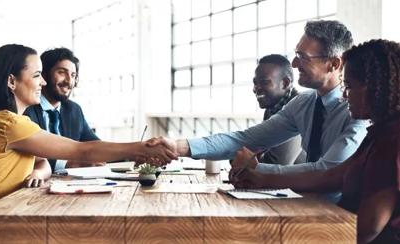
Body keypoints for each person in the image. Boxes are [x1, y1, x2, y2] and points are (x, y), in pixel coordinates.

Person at [0, 44, 176, 242]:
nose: (43, 81)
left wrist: (39, 172)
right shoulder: (8, 123)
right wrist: (141, 148)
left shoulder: (13, 121)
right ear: (12, 81)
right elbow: (82, 150)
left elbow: (43, 162)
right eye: (37, 75)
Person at [232, 39, 400, 243]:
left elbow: (368, 227)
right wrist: (260, 179)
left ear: (375, 87)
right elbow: (330, 177)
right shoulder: (379, 134)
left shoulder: (392, 142)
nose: (345, 95)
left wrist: (304, 235)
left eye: (348, 86)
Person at [154, 20, 368, 176]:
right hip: (306, 204)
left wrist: (258, 169)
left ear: (334, 64)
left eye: (302, 57)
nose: (294, 64)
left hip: (344, 218)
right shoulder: (303, 104)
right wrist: (178, 146)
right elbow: (244, 139)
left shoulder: (359, 109)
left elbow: (328, 170)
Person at [24, 47, 102, 172]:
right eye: (62, 72)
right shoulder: (25, 109)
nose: (69, 81)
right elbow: (27, 156)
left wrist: (128, 154)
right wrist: (68, 164)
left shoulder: (74, 110)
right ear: (44, 75)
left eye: (73, 75)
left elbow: (95, 146)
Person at [252, 54, 305, 165]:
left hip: (301, 181)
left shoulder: (299, 109)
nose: (256, 89)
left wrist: (245, 159)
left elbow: (276, 164)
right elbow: (261, 148)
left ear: (285, 83)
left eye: (264, 82)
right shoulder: (271, 108)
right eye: (255, 83)